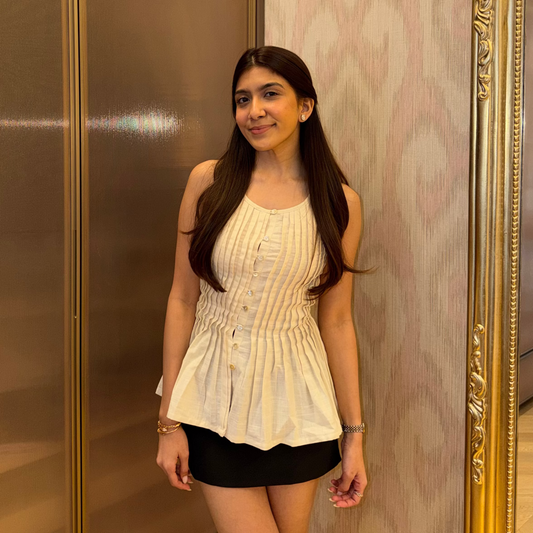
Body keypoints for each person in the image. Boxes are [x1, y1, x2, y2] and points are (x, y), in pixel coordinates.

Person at [155, 45, 368, 533]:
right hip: (212, 401)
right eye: (242, 99)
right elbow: (182, 300)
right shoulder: (208, 182)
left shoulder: (341, 204)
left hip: (297, 406)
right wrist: (169, 421)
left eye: (270, 94)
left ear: (305, 106)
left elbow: (336, 322)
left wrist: (354, 435)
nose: (254, 110)